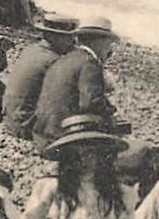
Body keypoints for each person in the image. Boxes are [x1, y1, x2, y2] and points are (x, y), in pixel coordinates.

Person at [30, 16, 120, 149]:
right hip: (61, 137)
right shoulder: (90, 63)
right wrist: (111, 111)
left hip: (43, 133)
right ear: (99, 42)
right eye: (108, 43)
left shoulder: (66, 58)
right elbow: (90, 104)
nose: (109, 49)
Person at [1, 14, 78, 140]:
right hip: (26, 126)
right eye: (69, 37)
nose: (73, 42)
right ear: (55, 37)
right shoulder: (54, 61)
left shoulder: (30, 50)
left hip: (11, 120)